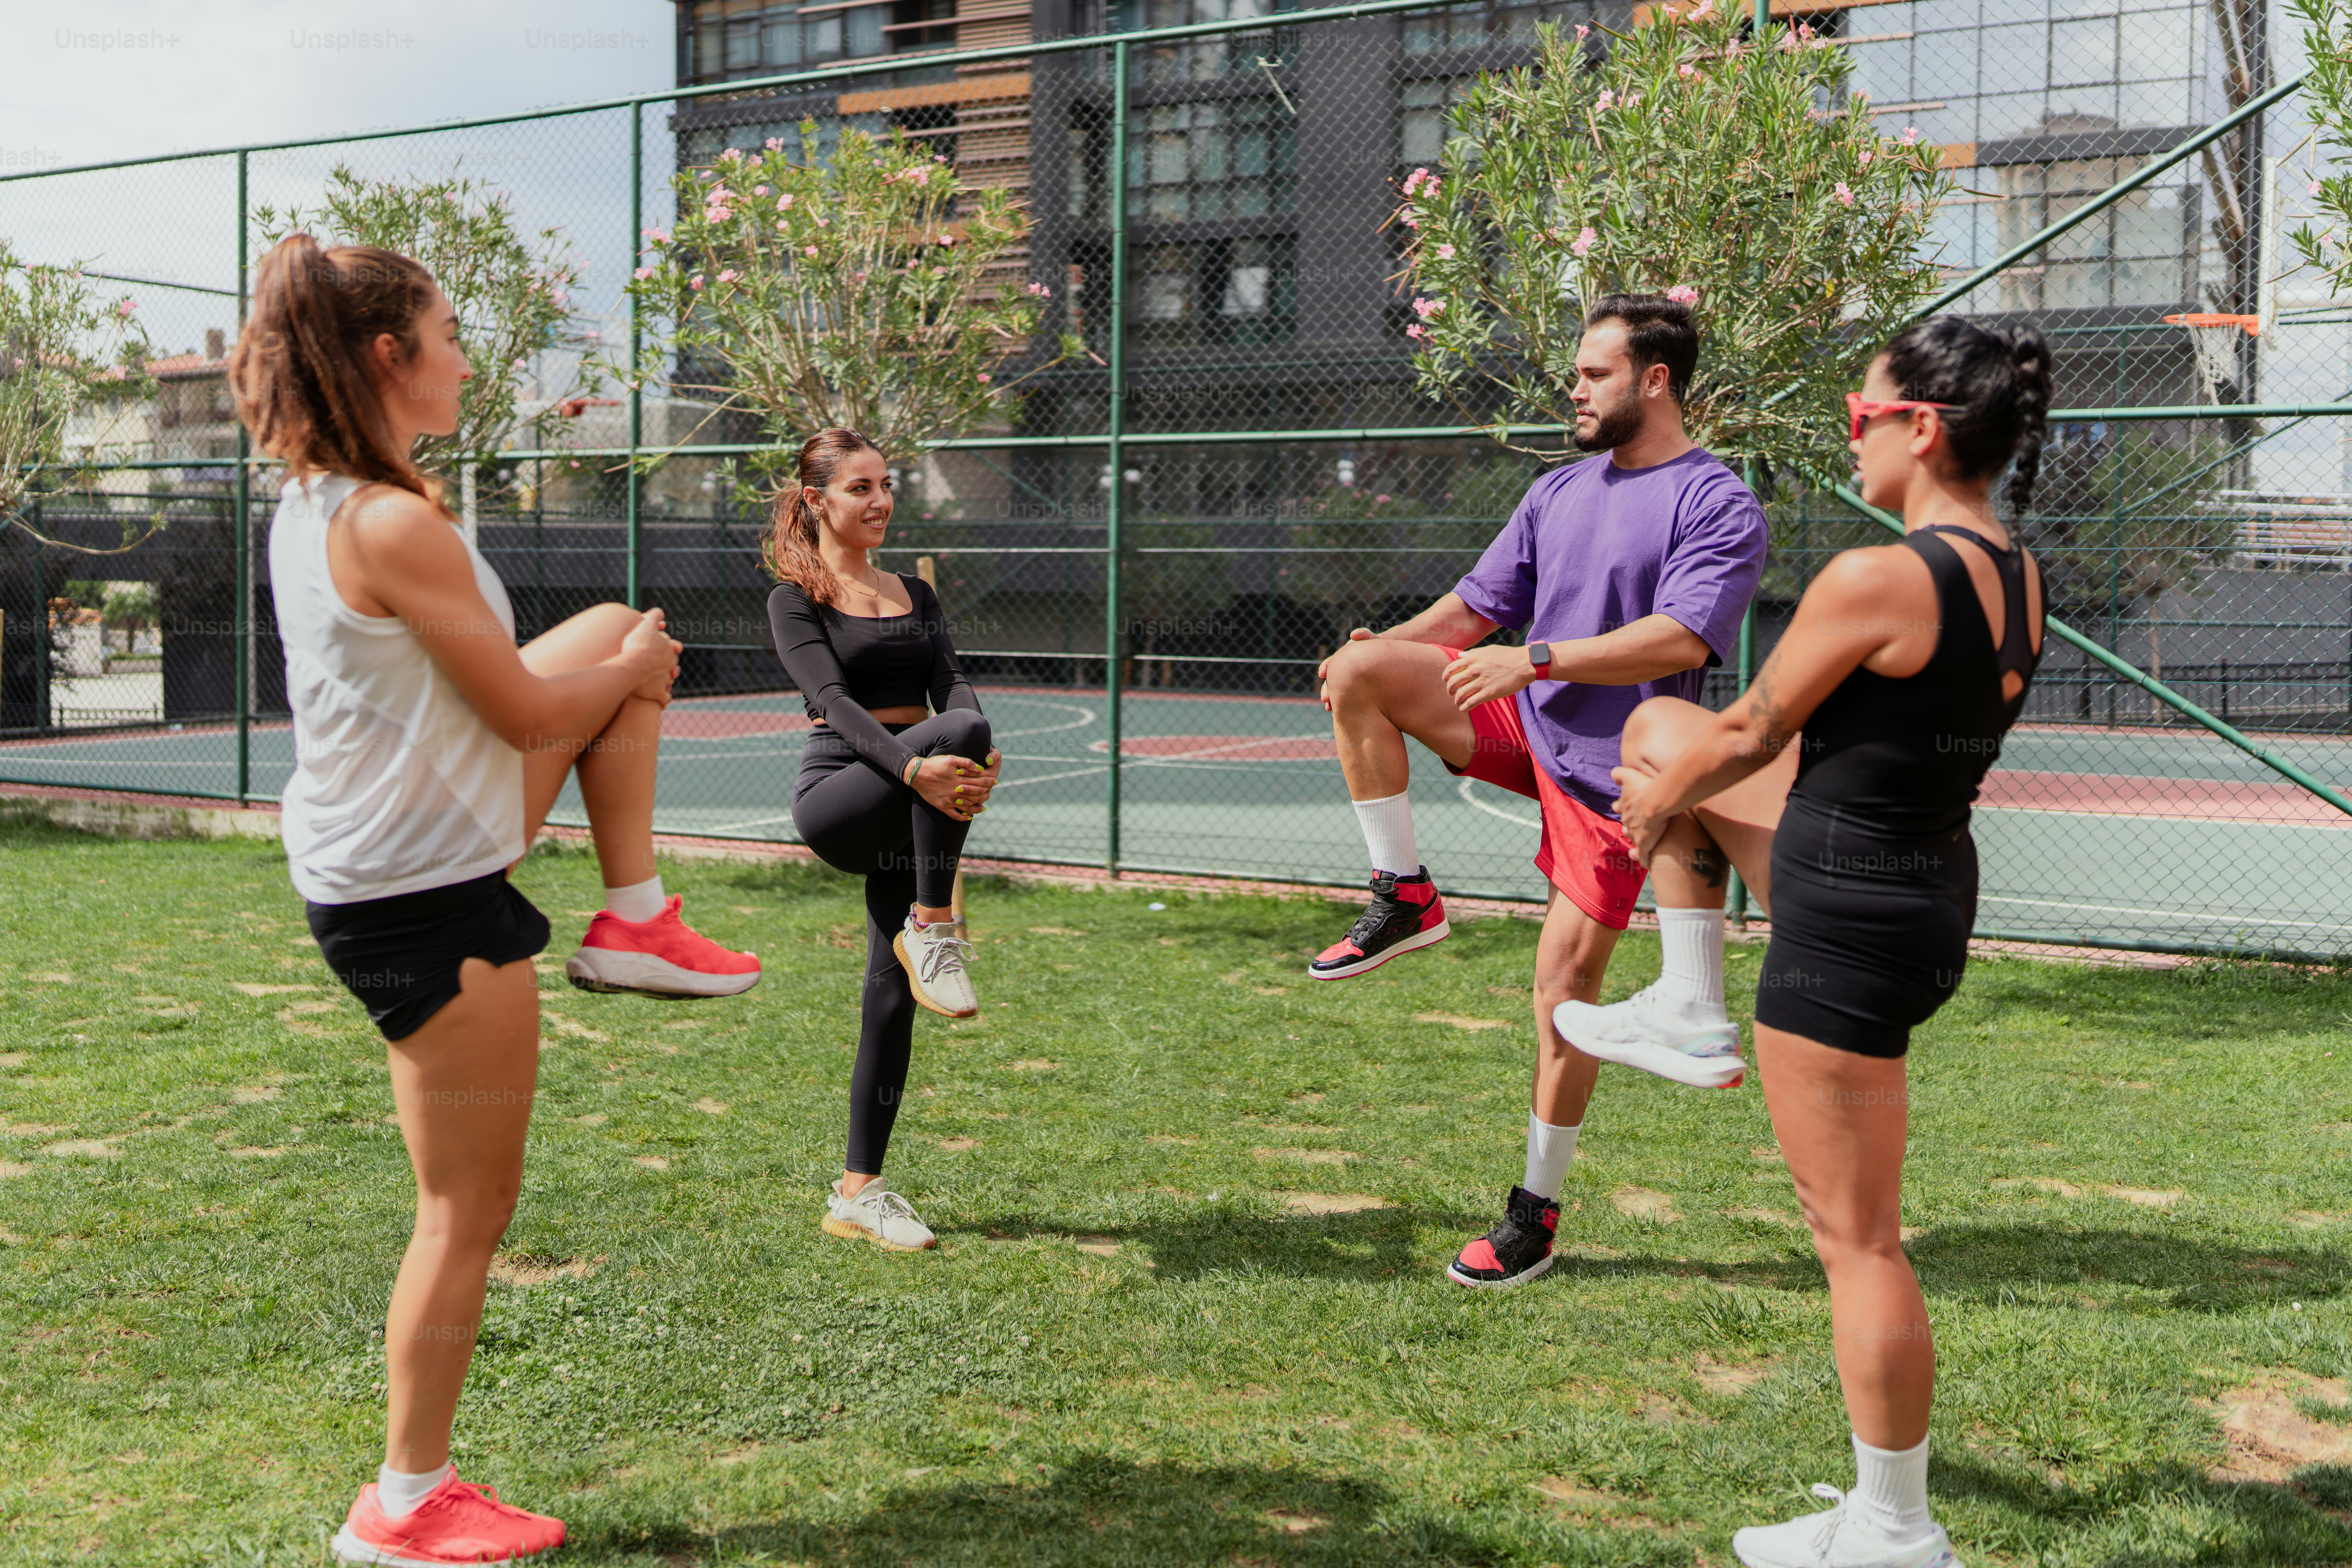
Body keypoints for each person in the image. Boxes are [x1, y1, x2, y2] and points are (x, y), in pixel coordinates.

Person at [232, 236, 756, 1564]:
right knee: (464, 1212)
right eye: (450, 332)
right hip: (421, 894)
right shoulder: (393, 522)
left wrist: (615, 660)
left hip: (405, 852)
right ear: (387, 358)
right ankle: (405, 1502)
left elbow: (498, 690)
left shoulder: (324, 501)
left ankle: (634, 913)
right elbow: (526, 710)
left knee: (599, 631)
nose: (468, 356)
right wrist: (640, 667)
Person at [1602, 316, 2050, 1567]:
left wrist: (1654, 803)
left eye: (1859, 419)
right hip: (1909, 884)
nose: (1847, 440)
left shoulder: (1879, 576)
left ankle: (1898, 1535)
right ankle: (1686, 1002)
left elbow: (1746, 726)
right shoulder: (2016, 570)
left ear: (1922, 427)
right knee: (1653, 730)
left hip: (1848, 918)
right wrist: (1669, 769)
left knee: (1858, 1242)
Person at [1313, 293, 1767, 1289]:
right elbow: (1474, 611)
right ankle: (1405, 896)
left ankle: (1533, 1214)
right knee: (1359, 675)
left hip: (1617, 778)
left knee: (1561, 995)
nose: (1574, 385)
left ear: (1654, 381)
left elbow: (1683, 639)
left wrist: (1540, 658)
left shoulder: (1716, 500)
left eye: (1594, 372)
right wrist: (1391, 648)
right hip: (1526, 723)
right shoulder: (1559, 490)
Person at [766, 428, 1002, 1254]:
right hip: (843, 794)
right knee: (962, 729)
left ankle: (857, 1191)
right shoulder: (795, 597)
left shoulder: (915, 594)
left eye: (885, 484)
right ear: (816, 501)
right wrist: (919, 769)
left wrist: (973, 760)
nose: (878, 501)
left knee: (889, 995)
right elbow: (833, 701)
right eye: (858, 487)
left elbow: (954, 684)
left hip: (916, 803)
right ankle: (934, 926)